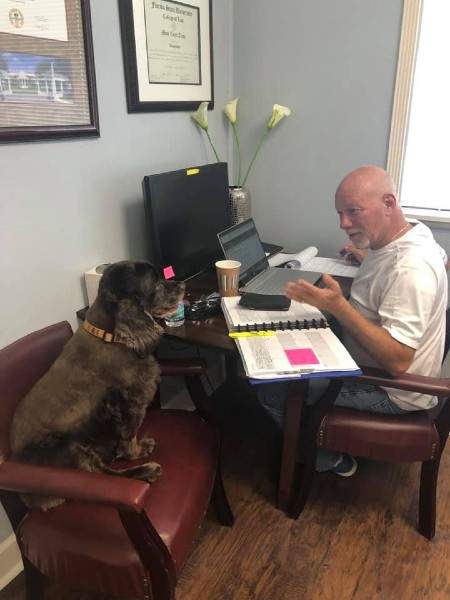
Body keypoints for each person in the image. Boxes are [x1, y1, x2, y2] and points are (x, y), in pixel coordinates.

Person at [259, 165, 448, 477]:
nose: (344, 223)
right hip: (363, 360)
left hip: (390, 390)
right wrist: (368, 259)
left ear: (389, 204)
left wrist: (339, 307)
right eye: (340, 213)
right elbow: (438, 259)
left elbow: (398, 361)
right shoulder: (411, 233)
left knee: (272, 389)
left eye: (353, 212)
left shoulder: (410, 270)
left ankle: (328, 458)